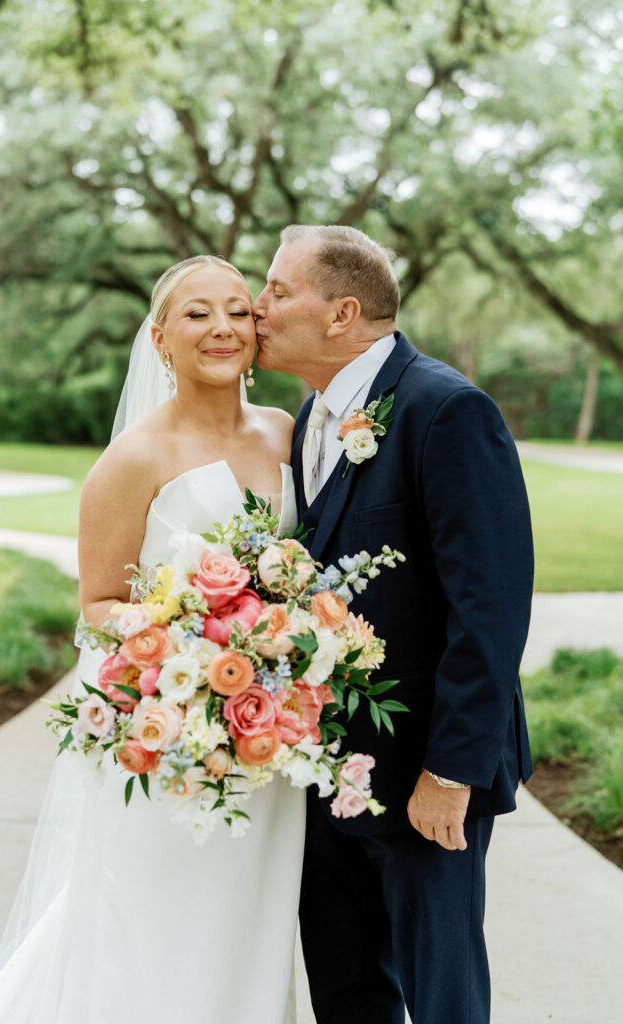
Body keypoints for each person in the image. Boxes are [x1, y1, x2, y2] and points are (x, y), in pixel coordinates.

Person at [0, 255, 305, 1024]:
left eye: (239, 311)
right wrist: (195, 651)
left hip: (268, 738)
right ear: (160, 338)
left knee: (252, 920)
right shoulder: (132, 458)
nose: (223, 329)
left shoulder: (285, 434)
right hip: (174, 733)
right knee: (153, 920)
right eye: (198, 313)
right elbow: (99, 603)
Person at [253, 224, 534, 1024]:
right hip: (324, 767)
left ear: (342, 313)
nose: (256, 304)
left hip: (424, 774)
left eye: (277, 289)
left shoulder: (445, 410)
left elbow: (490, 608)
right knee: (345, 986)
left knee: (440, 994)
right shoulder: (308, 416)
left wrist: (450, 774)